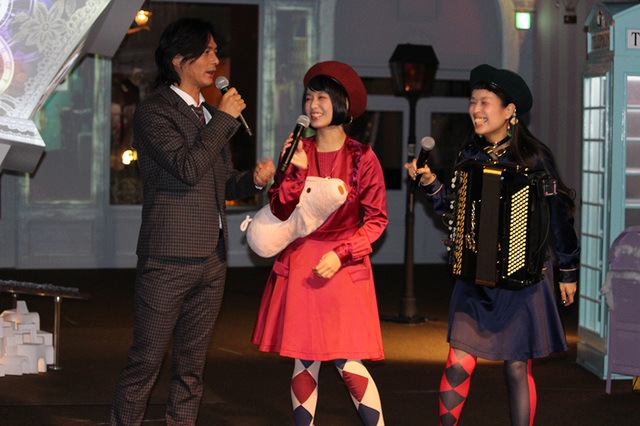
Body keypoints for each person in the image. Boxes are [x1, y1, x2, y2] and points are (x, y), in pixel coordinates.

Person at [110, 17, 275, 426]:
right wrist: (223, 120)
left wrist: (252, 181)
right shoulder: (154, 113)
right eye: (207, 52)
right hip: (168, 257)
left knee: (191, 367)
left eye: (216, 51)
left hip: (212, 258)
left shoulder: (209, 116)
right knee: (146, 361)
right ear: (179, 60)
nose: (216, 61)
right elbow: (186, 167)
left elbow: (217, 182)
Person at [405, 64, 579, 426]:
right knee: (457, 363)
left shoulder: (534, 157)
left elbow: (558, 214)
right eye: (472, 102)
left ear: (509, 110)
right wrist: (431, 183)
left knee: (516, 367)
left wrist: (567, 269)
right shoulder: (470, 154)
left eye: (485, 102)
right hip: (476, 279)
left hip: (522, 280)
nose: (475, 110)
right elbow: (456, 210)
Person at [251, 61, 388, 426]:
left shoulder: (362, 157)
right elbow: (280, 210)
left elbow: (377, 220)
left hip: (343, 264)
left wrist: (342, 254)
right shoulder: (298, 149)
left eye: (322, 97)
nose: (312, 105)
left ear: (343, 103)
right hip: (301, 263)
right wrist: (294, 170)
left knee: (347, 360)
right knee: (305, 358)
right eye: (309, 97)